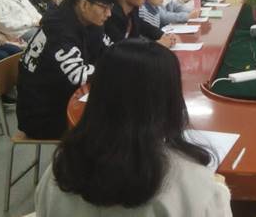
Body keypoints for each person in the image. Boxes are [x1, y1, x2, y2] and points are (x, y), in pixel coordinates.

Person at [35, 39, 233, 216]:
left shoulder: (58, 171)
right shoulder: (195, 185)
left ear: (97, 96)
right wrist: (219, 191)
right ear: (170, 100)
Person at [17, 0, 115, 139]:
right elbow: (79, 76)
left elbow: (111, 50)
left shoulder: (87, 21)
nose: (109, 13)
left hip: (64, 96)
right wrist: (117, 71)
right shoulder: (59, 30)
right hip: (42, 115)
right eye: (104, 7)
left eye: (111, 7)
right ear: (84, 5)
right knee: (114, 126)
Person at [104, 0, 175, 47]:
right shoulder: (109, 15)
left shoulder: (133, 10)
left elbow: (143, 26)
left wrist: (163, 35)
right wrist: (156, 45)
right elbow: (122, 48)